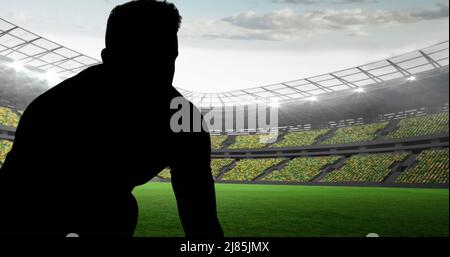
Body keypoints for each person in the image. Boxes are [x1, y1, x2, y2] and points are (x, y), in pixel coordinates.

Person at [0, 0, 223, 237]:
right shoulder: (56, 108)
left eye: (167, 57)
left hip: (104, 208)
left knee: (118, 208)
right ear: (108, 56)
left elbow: (200, 216)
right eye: (141, 57)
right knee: (118, 208)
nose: (159, 71)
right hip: (36, 212)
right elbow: (12, 196)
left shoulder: (184, 120)